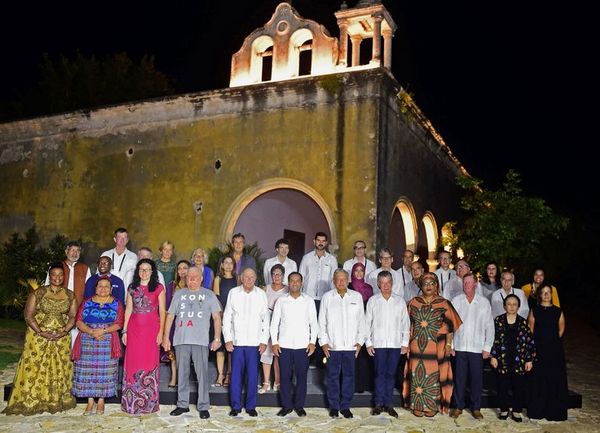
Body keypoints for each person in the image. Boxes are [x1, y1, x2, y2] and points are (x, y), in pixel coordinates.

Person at [4, 263, 77, 415]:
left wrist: (64, 331)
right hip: (38, 337)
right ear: (49, 276)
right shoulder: (38, 293)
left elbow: (72, 316)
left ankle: (55, 399)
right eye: (54, 274)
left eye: (60, 275)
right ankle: (32, 400)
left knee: (59, 368)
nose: (57, 277)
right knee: (34, 367)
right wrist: (41, 332)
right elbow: (28, 316)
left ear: (64, 277)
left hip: (60, 338)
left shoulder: (70, 295)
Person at [162, 267, 222, 419]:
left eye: (195, 277)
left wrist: (217, 338)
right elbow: (170, 317)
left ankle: (203, 406)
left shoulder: (209, 295)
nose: (192, 279)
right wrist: (165, 337)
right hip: (180, 340)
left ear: (201, 278)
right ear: (185, 278)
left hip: (200, 341)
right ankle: (182, 404)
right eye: (189, 277)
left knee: (202, 374)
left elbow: (216, 318)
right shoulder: (179, 294)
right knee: (182, 374)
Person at [403, 272, 462, 417]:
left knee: (433, 375)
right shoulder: (413, 302)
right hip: (417, 345)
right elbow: (405, 325)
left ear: (436, 286)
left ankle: (431, 406)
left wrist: (449, 345)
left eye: (431, 283)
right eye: (425, 283)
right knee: (417, 374)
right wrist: (406, 344)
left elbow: (450, 326)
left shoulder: (444, 303)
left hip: (436, 347)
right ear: (421, 286)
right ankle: (417, 405)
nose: (428, 286)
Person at [72, 276, 124, 415]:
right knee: (87, 371)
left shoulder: (117, 303)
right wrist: (91, 331)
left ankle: (101, 400)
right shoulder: (86, 302)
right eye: (100, 286)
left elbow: (119, 323)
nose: (103, 289)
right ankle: (90, 401)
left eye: (107, 286)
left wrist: (103, 331)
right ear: (95, 288)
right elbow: (78, 321)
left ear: (111, 289)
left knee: (105, 371)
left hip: (107, 340)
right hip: (87, 339)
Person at [318, 269, 366, 419]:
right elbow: (322, 322)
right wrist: (324, 343)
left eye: (344, 279)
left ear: (348, 280)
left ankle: (345, 406)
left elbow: (361, 322)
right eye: (338, 279)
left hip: (351, 346)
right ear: (333, 281)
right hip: (333, 346)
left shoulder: (356, 297)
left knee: (349, 376)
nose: (341, 282)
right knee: (332, 377)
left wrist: (360, 342)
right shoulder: (327, 297)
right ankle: (334, 406)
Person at [121, 258, 166, 415]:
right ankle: (131, 403)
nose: (144, 272)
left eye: (147, 269)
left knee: (149, 364)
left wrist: (161, 333)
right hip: (134, 332)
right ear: (137, 271)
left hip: (152, 332)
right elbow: (128, 310)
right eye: (141, 269)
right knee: (133, 364)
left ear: (152, 272)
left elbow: (162, 312)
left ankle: (149, 404)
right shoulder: (132, 288)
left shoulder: (159, 288)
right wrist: (124, 331)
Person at [270, 272, 319, 417]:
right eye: (292, 281)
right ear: (288, 282)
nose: (295, 283)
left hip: (303, 346)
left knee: (301, 377)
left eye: (298, 281)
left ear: (302, 283)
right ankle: (286, 406)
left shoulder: (308, 301)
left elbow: (314, 324)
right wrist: (275, 342)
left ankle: (299, 405)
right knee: (284, 377)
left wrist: (312, 342)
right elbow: (274, 324)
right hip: (284, 345)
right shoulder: (281, 301)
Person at [222, 267, 269, 417]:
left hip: (255, 343)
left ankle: (250, 406)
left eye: (252, 277)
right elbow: (227, 317)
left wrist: (263, 341)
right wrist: (228, 339)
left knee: (253, 376)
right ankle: (235, 406)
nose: (249, 280)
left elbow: (265, 319)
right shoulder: (233, 293)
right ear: (241, 278)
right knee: (235, 376)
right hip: (237, 342)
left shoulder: (261, 294)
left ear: (255, 279)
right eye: (246, 277)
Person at [449, 273, 495, 420]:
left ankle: (476, 408)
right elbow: (451, 325)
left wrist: (487, 347)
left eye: (469, 283)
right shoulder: (456, 301)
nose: (466, 285)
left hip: (477, 348)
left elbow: (490, 326)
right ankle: (458, 406)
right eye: (465, 283)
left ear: (475, 284)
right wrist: (452, 345)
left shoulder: (483, 303)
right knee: (459, 379)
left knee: (476, 380)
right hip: (460, 346)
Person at [365, 271, 410, 418]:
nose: (385, 286)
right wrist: (369, 343)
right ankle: (378, 404)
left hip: (395, 344)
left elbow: (406, 324)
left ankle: (389, 404)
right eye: (382, 283)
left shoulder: (400, 301)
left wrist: (404, 343)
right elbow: (367, 323)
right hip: (378, 344)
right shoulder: (373, 301)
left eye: (388, 283)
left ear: (392, 283)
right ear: (378, 284)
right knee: (379, 374)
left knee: (391, 374)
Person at [490, 294, 535, 422]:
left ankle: (516, 411)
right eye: (509, 304)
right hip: (502, 359)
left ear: (519, 306)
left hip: (519, 360)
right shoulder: (498, 321)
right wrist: (493, 356)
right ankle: (504, 409)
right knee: (502, 386)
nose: (511, 307)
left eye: (514, 304)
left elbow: (529, 341)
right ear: (504, 306)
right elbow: (493, 340)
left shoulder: (523, 322)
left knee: (518, 386)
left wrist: (529, 360)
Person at [527, 284, 568, 421]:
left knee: (554, 379)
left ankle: (554, 411)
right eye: (543, 292)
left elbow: (561, 329)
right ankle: (537, 410)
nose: (546, 295)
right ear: (540, 295)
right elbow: (530, 329)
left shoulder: (558, 311)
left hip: (554, 351)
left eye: (548, 292)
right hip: (538, 349)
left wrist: (552, 341)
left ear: (551, 294)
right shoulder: (535, 310)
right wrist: (535, 346)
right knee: (539, 380)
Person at [259, 264, 288, 394]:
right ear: (271, 276)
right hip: (266, 320)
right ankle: (266, 383)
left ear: (283, 276)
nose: (277, 276)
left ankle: (278, 382)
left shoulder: (287, 290)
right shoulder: (265, 289)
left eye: (279, 274)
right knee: (266, 352)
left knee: (278, 352)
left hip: (282, 323)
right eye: (274, 274)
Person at [164, 259, 191, 388]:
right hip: (174, 322)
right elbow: (167, 306)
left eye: (185, 268)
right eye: (179, 268)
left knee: (185, 351)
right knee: (173, 351)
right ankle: (174, 376)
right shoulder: (172, 286)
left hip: (189, 323)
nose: (182, 271)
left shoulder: (193, 285)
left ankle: (183, 378)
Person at [212, 255, 237, 387]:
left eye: (230, 263)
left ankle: (229, 374)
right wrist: (222, 316)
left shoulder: (237, 279)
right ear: (221, 265)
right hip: (221, 315)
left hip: (234, 317)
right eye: (225, 262)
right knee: (220, 347)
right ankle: (220, 374)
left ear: (233, 265)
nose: (228, 265)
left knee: (231, 347)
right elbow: (216, 298)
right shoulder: (218, 279)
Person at [349, 262, 374, 394]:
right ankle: (353, 385)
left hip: (366, 325)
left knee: (364, 356)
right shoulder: (348, 287)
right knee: (354, 355)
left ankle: (364, 384)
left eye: (361, 271)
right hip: (352, 325)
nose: (359, 273)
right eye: (356, 270)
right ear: (352, 272)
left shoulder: (369, 289)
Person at [45, 240, 91, 307]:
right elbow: (47, 286)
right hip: (58, 306)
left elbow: (88, 290)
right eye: (72, 250)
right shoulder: (56, 266)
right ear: (66, 251)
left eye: (77, 251)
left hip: (78, 307)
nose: (75, 253)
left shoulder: (85, 269)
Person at [299, 232, 338, 302]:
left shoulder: (332, 259)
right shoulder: (306, 258)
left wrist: (333, 296)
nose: (320, 243)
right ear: (314, 241)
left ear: (326, 243)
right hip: (308, 297)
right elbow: (301, 277)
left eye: (323, 241)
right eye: (318, 240)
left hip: (326, 298)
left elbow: (334, 279)